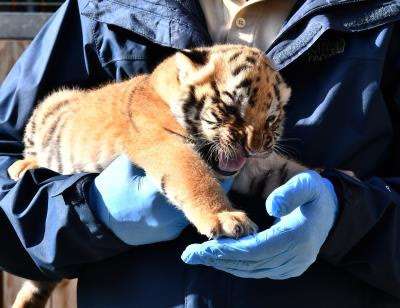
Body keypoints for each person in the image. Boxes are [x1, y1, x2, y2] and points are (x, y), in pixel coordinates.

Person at [0, 0, 399, 307]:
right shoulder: (100, 10)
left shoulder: (385, 17)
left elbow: (268, 169)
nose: (249, 143)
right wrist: (87, 214)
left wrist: (346, 217)